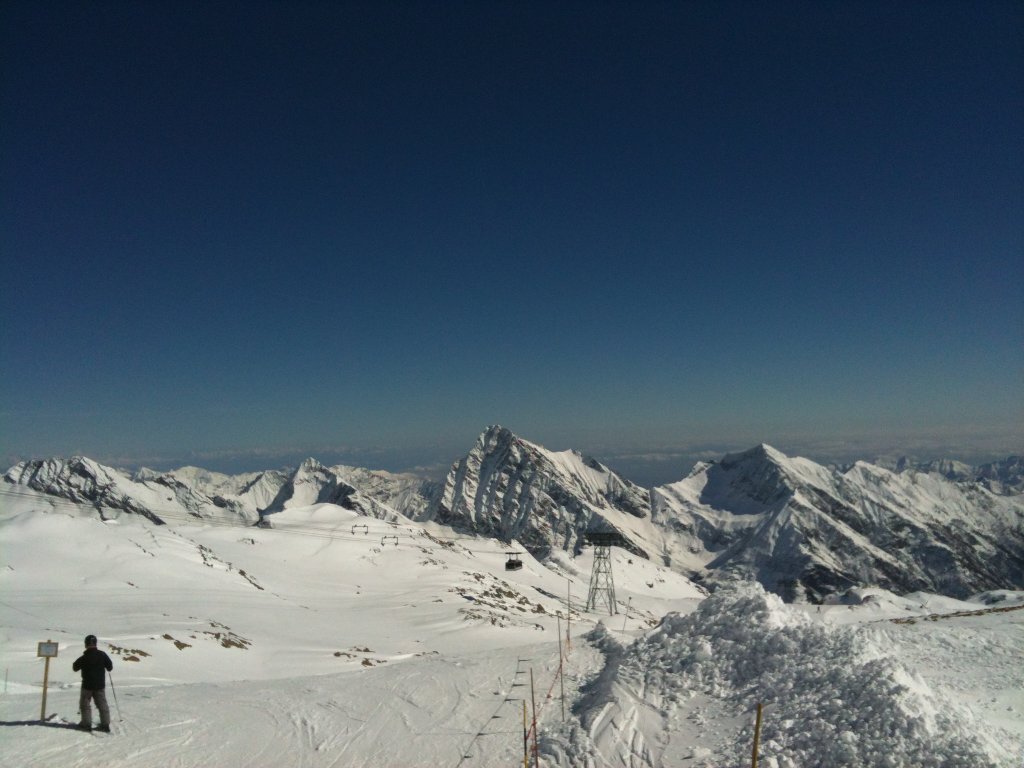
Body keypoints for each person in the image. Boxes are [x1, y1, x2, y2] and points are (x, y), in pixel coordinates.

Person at [72, 634, 113, 732]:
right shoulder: (102, 655)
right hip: (100, 685)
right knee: (102, 704)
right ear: (95, 643)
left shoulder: (84, 657)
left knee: (85, 705)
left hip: (87, 686)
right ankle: (105, 725)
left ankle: (86, 724)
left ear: (86, 644)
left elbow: (75, 667)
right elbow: (110, 667)